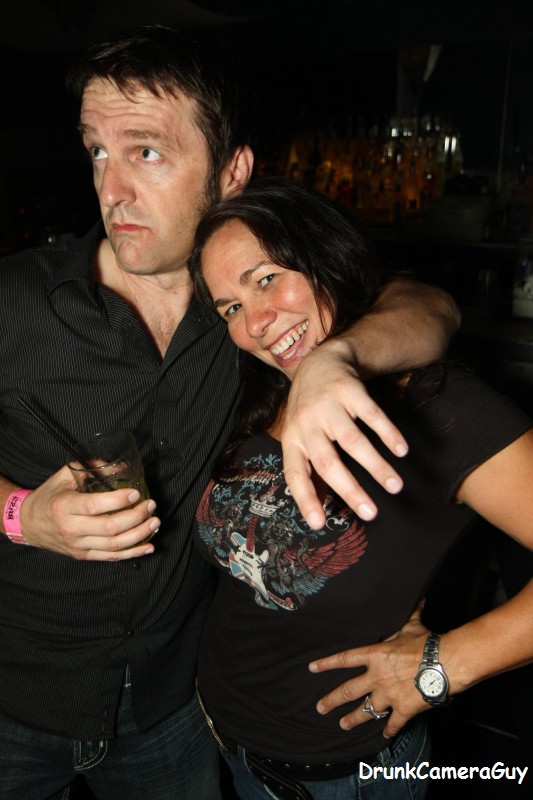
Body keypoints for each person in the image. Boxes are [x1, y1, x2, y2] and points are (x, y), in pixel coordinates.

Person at [0, 25, 458, 800]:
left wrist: (334, 360)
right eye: (97, 151)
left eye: (146, 151)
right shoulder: (16, 298)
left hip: (173, 707)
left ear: (232, 172)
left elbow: (429, 305)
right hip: (15, 699)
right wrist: (21, 515)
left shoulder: (253, 318)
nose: (112, 189)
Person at [188, 177, 533, 800]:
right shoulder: (262, 389)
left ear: (324, 254)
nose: (256, 323)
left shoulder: (439, 405)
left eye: (266, 279)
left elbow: (431, 305)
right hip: (225, 745)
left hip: (346, 777)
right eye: (230, 308)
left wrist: (446, 664)